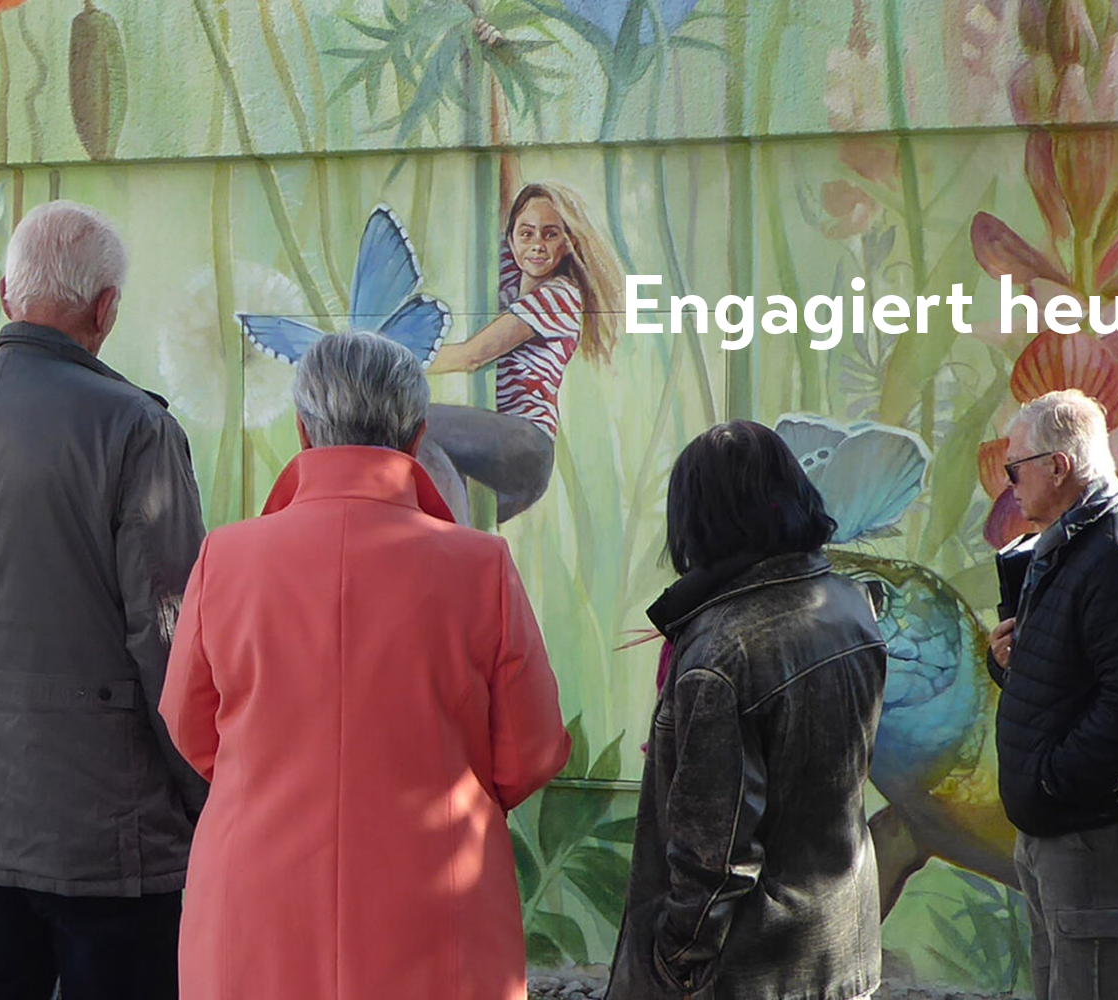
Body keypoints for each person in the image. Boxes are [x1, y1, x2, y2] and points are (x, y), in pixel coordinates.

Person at [0, 200, 208, 1000]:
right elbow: (171, 645)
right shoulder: (134, 429)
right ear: (107, 308)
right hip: (112, 830)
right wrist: (204, 797)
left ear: (10, 297)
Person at [160, 331, 570, 1000]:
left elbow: (191, 727)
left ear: (302, 429)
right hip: (436, 899)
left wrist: (266, 777)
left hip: (255, 898)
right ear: (416, 438)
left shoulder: (225, 559)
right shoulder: (480, 567)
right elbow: (531, 751)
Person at [609, 420, 891, 1000]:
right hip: (841, 946)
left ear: (697, 517)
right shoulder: (850, 606)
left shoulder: (723, 652)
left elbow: (714, 856)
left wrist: (673, 962)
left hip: (749, 968)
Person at [983, 389, 1118, 1000]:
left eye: (1015, 468)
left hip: (1087, 830)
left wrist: (1050, 782)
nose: (1008, 484)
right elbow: (1074, 679)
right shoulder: (1073, 545)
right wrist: (1010, 662)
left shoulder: (1114, 555)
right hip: (1058, 828)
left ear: (1058, 466)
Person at [420, 179, 624, 522]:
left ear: (568, 243)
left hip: (524, 446)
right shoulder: (514, 277)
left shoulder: (559, 296)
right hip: (503, 450)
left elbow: (473, 356)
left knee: (412, 422)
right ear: (512, 238)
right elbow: (505, 196)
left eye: (551, 234)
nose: (537, 245)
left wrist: (394, 362)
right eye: (526, 234)